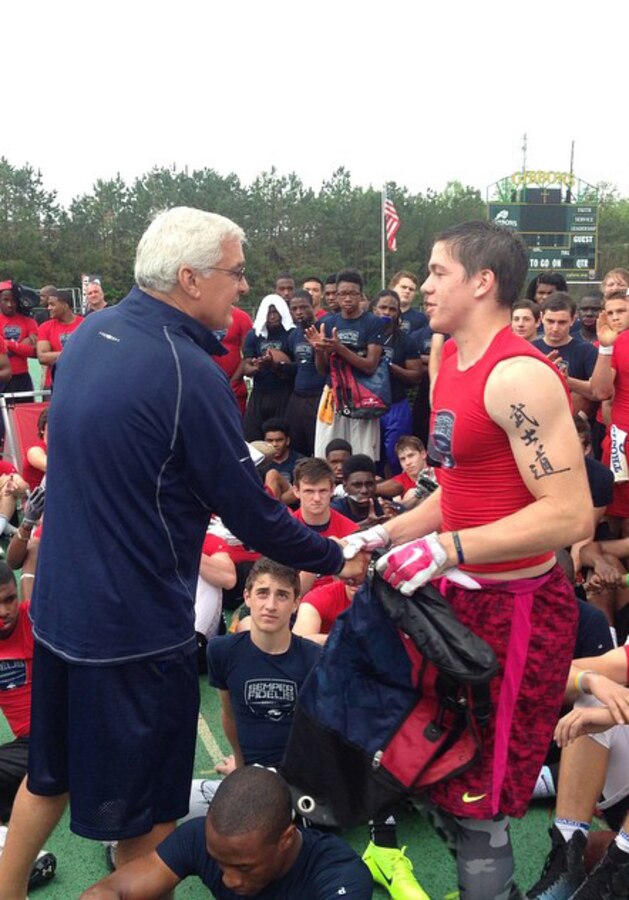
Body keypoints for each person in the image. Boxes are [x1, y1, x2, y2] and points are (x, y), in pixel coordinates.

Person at [0, 207, 367, 900]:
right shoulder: (186, 370)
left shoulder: (86, 336)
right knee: (152, 816)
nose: (242, 286)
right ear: (190, 278)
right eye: (233, 273)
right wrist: (333, 555)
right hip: (132, 629)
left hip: (58, 608)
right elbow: (254, 515)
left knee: (48, 773)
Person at [344, 220, 591, 900]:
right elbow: (456, 487)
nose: (423, 285)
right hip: (448, 605)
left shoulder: (517, 375)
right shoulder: (444, 356)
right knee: (433, 766)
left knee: (479, 795)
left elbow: (568, 514)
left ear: (482, 283)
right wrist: (391, 532)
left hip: (512, 615)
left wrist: (445, 547)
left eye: (437, 272)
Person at [80, 767, 373, 899]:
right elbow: (109, 891)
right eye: (219, 863)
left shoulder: (339, 874)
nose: (229, 879)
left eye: (245, 868)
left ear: (285, 839)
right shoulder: (203, 840)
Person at [0, 564, 57, 890]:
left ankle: (117, 841)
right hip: (30, 746)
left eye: (9, 599)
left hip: (68, 732)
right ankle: (22, 854)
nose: (4, 611)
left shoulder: (39, 620)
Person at [310, 269, 385, 461]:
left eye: (352, 293)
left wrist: (339, 348)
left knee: (363, 452)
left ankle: (361, 489)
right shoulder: (327, 322)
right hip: (333, 394)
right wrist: (319, 349)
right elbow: (321, 370)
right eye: (342, 293)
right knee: (327, 450)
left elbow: (370, 365)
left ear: (361, 295)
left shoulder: (373, 322)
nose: (347, 298)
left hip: (362, 394)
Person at [36, 288, 83, 388]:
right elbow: (43, 357)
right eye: (48, 304)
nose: (48, 308)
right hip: (54, 384)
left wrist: (56, 356)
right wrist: (75, 354)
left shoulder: (85, 324)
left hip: (81, 383)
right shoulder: (45, 327)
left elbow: (90, 354)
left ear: (65, 306)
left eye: (52, 304)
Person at [0, 285, 38, 395]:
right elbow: (3, 351)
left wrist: (8, 344)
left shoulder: (29, 322)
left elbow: (35, 352)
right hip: (2, 379)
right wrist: (21, 345)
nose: (10, 304)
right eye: (5, 300)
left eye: (13, 300)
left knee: (25, 410)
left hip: (23, 378)